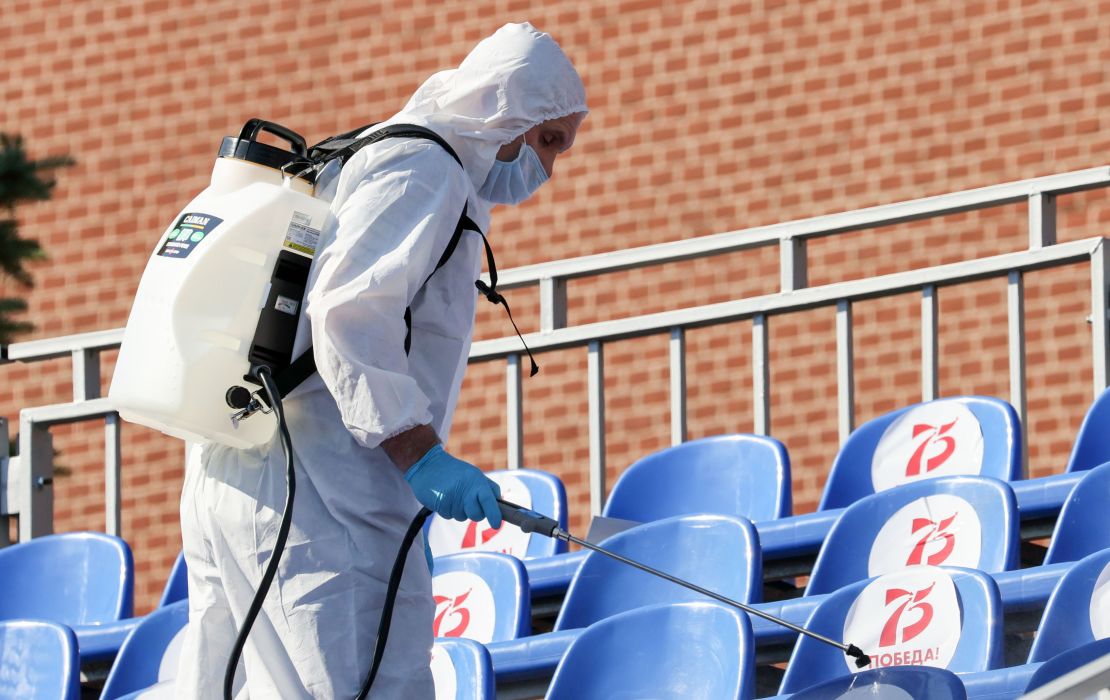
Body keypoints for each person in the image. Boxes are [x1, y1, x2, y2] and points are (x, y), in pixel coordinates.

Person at [175, 22, 587, 699]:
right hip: (320, 496)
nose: (547, 165)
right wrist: (417, 451)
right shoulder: (428, 169)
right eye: (547, 140)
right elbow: (347, 312)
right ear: (504, 114)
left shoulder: (370, 153)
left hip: (244, 470)